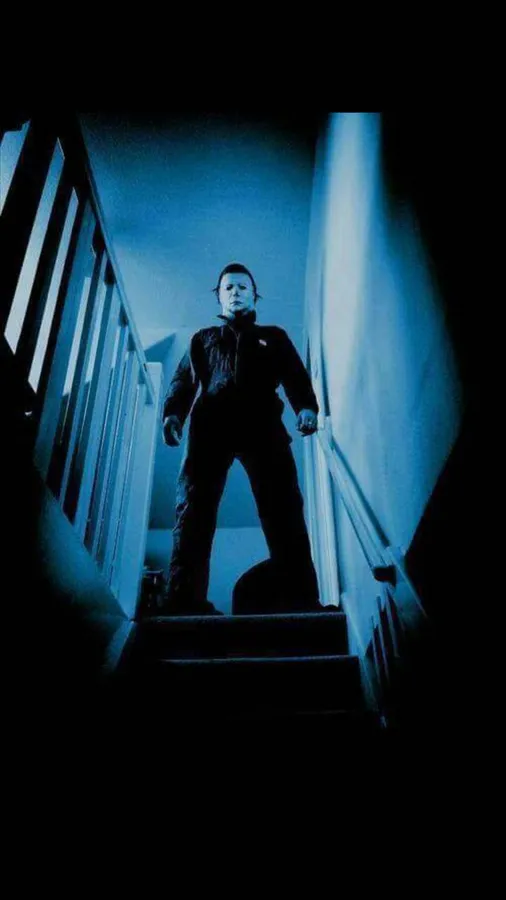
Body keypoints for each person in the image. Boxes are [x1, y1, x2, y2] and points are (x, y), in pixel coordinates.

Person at [160, 262, 332, 616]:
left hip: (263, 425)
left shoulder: (275, 337)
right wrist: (173, 413)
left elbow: (295, 375)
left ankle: (301, 599)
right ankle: (184, 600)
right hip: (210, 427)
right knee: (193, 508)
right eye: (228, 288)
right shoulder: (203, 339)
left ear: (254, 295)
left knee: (283, 508)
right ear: (219, 297)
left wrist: (306, 407)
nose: (235, 293)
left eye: (242, 287)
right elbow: (183, 380)